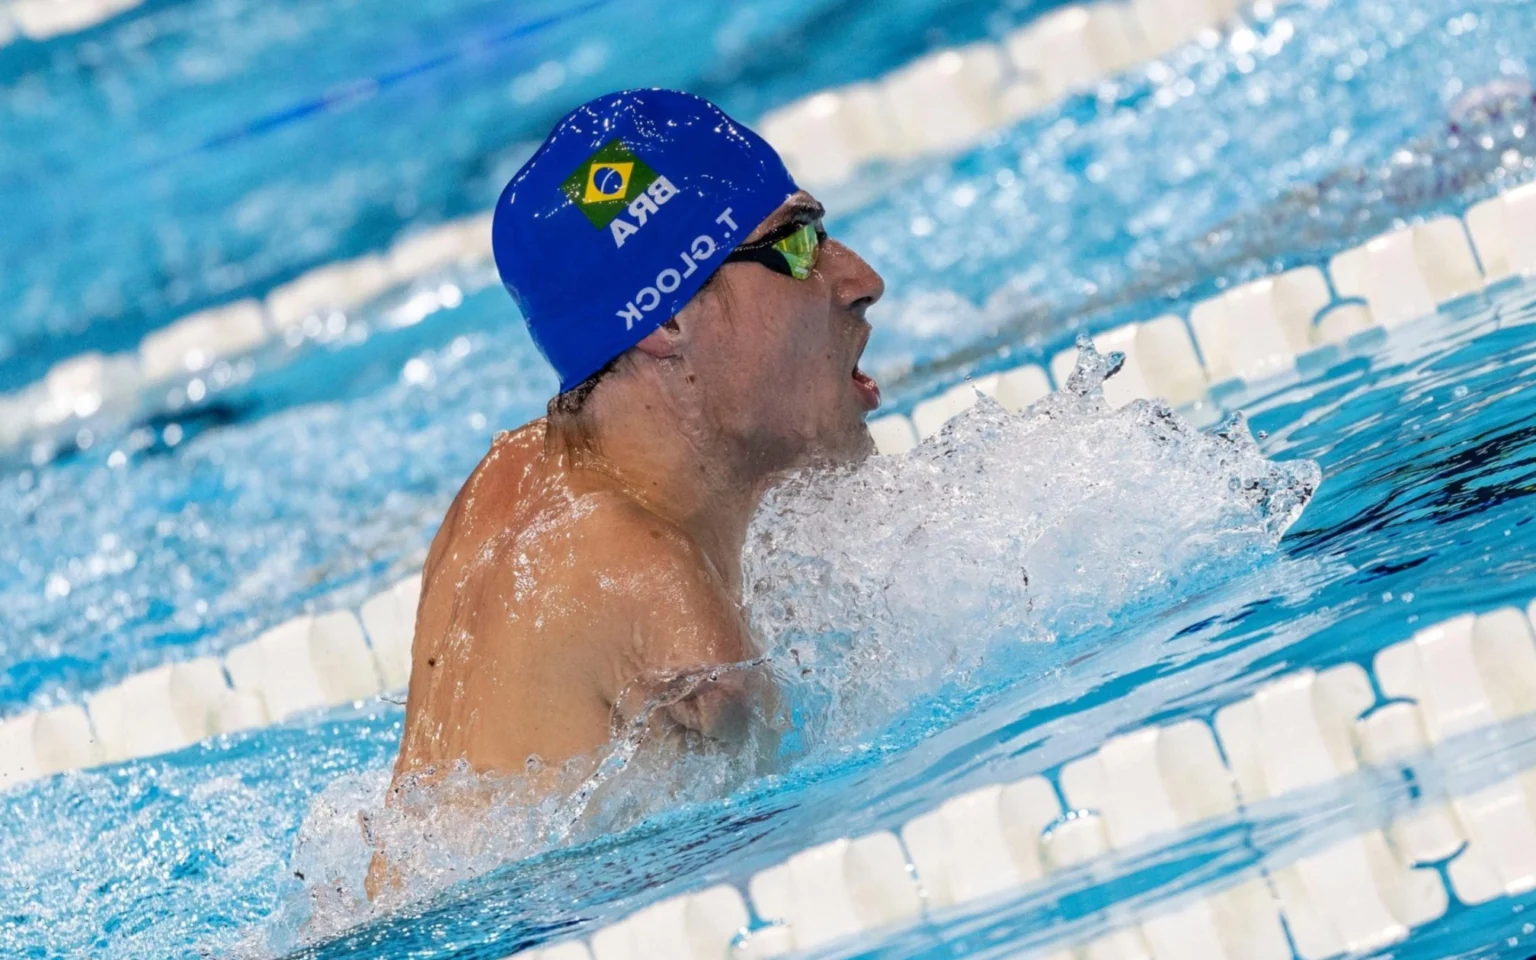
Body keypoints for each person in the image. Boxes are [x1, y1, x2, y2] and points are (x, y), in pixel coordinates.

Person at [387, 89, 886, 792]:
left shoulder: (508, 476)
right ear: (667, 319)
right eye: (799, 245)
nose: (862, 281)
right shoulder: (663, 603)